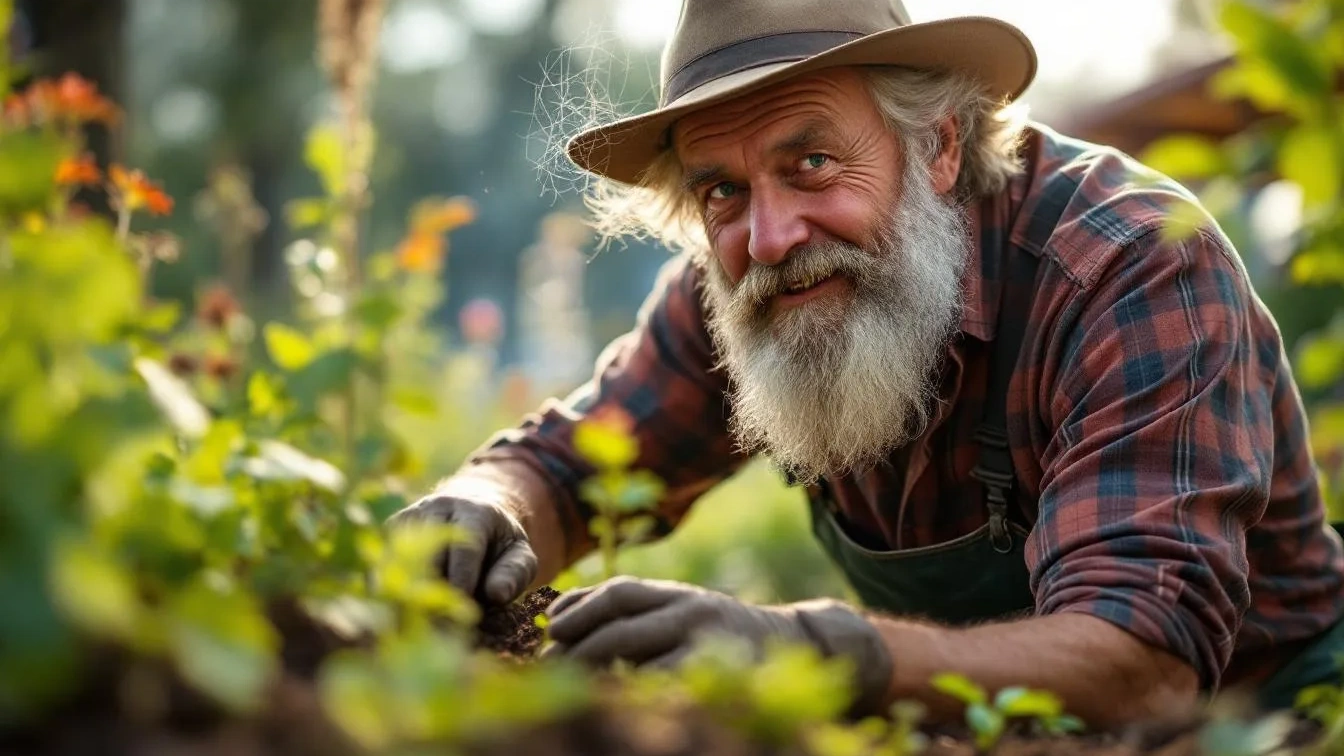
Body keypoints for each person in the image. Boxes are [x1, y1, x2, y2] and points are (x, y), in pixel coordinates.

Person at [390, 0, 1344, 728]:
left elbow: (1150, 660)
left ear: (936, 146)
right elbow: (570, 465)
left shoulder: (1127, 267)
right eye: (722, 189)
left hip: (1266, 720)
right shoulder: (756, 282)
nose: (768, 235)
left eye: (811, 165)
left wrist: (815, 648)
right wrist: (483, 506)